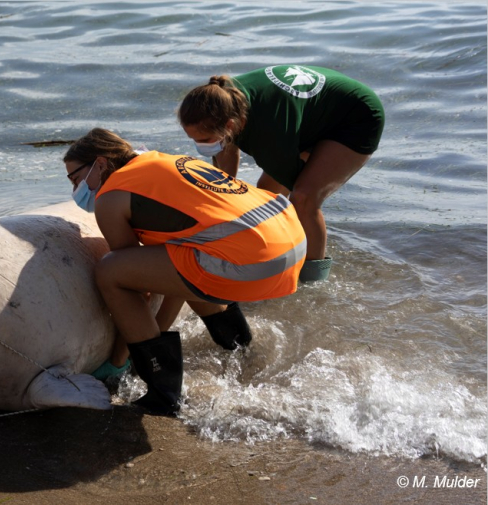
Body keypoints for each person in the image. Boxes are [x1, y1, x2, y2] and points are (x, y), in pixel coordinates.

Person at [65, 128, 306, 415]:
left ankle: (162, 393)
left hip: (254, 259)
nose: (74, 190)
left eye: (75, 178)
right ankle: (241, 349)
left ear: (101, 164)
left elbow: (136, 286)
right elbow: (174, 272)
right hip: (291, 241)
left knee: (110, 271)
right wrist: (158, 331)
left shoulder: (111, 195)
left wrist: (120, 359)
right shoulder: (164, 163)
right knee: (195, 260)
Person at [177, 65, 385, 282]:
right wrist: (218, 198)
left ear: (230, 125)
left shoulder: (268, 134)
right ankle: (270, 254)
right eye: (192, 138)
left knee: (304, 198)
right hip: (311, 114)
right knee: (266, 194)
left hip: (356, 116)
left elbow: (288, 194)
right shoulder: (221, 100)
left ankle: (311, 283)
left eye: (203, 140)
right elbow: (226, 153)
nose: (199, 145)